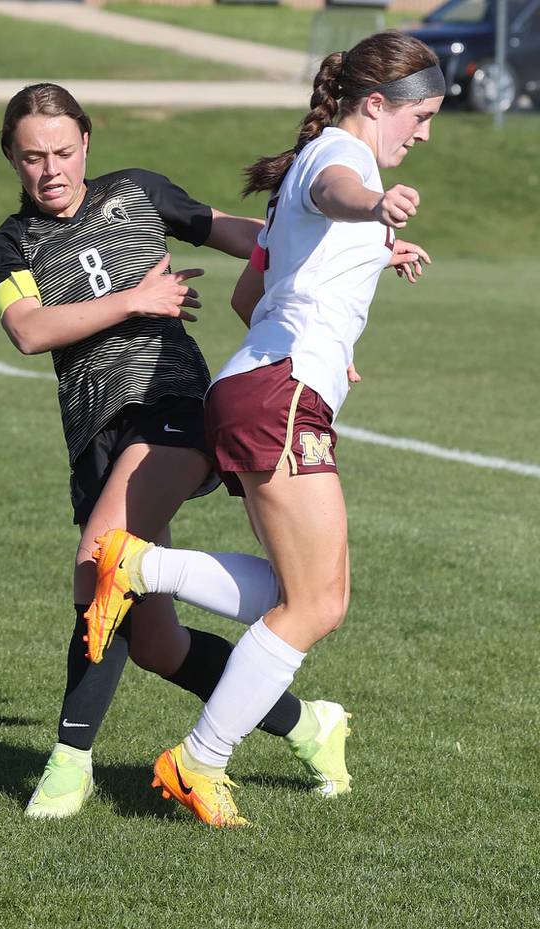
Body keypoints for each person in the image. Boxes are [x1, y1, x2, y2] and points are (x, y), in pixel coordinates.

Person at [86, 32, 444, 826]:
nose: (424, 133)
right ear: (377, 104)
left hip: (264, 384)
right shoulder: (337, 160)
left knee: (311, 596)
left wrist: (349, 294)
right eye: (420, 115)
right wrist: (373, 207)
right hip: (278, 393)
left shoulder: (308, 166)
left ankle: (140, 568)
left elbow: (255, 299)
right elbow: (338, 193)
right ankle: (196, 760)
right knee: (313, 604)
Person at [0, 83, 345, 821]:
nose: (49, 169)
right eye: (31, 157)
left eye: (61, 151)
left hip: (172, 410)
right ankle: (309, 724)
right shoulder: (7, 246)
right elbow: (28, 328)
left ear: (87, 140)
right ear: (12, 159)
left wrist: (353, 243)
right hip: (94, 435)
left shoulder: (138, 193)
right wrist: (131, 300)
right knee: (155, 641)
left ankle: (69, 764)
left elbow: (244, 234)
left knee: (100, 562)